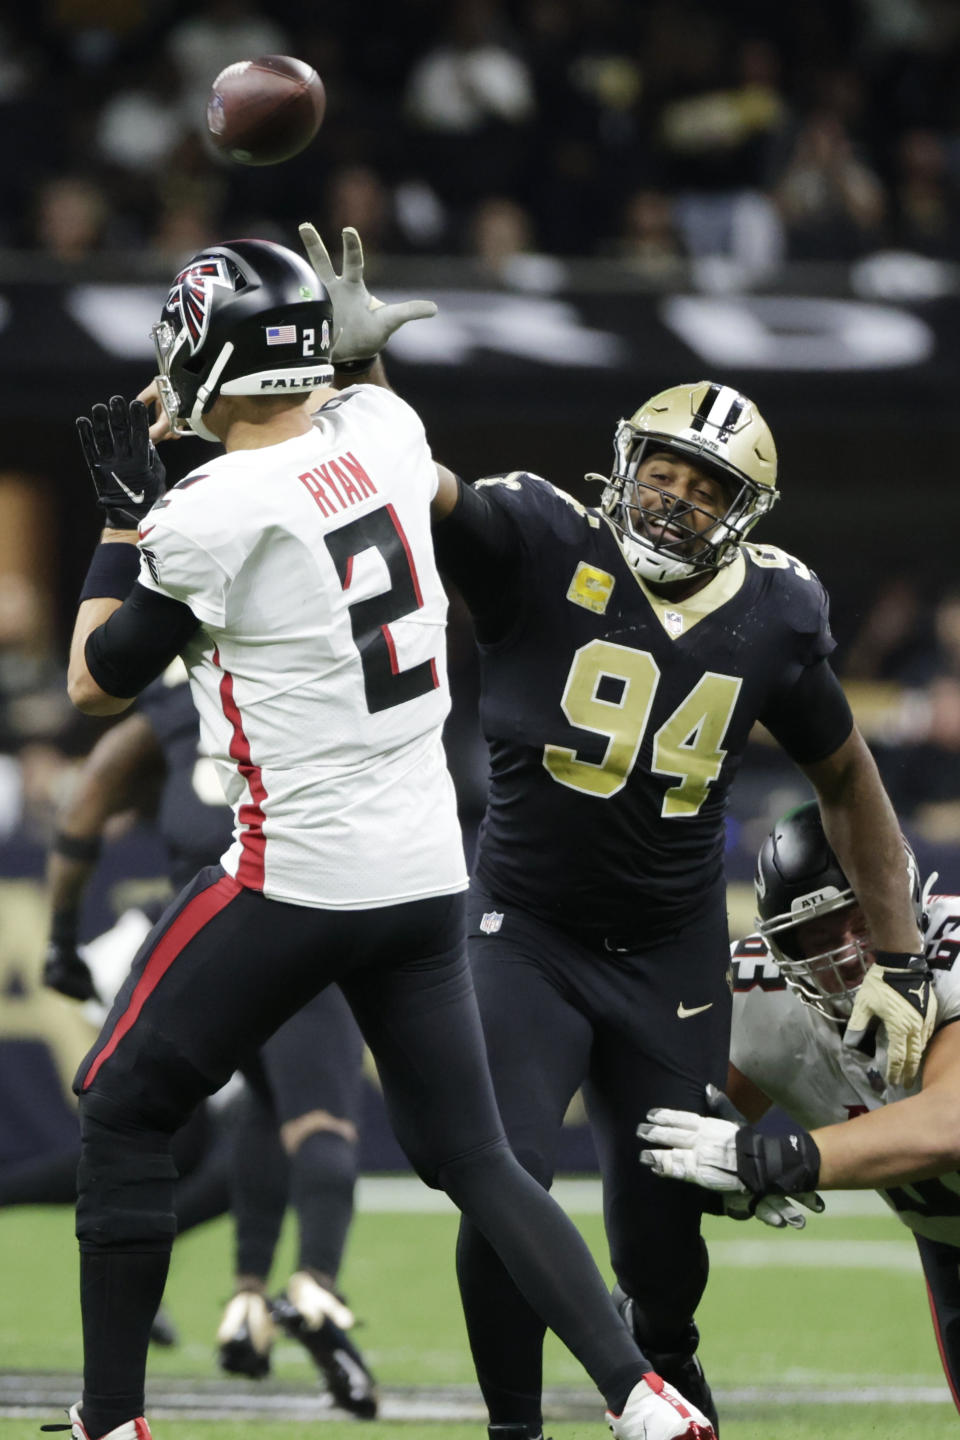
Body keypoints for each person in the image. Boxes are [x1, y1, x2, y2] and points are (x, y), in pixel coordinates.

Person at [56, 232, 716, 1440]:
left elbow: (97, 680)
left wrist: (117, 517)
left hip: (294, 868)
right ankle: (644, 1398)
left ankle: (111, 1422)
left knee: (122, 1105)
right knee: (476, 1155)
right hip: (424, 874)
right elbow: (355, 421)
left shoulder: (208, 510)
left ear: (212, 357)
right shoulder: (389, 435)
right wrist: (336, 367)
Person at [296, 222, 936, 1440]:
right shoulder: (540, 537)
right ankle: (516, 1428)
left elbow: (847, 773)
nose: (675, 497)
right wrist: (360, 381)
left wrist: (900, 959)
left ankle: (667, 1358)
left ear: (744, 513)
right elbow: (410, 483)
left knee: (663, 1217)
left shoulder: (779, 612)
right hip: (522, 926)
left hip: (667, 945)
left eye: (707, 488)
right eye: (663, 470)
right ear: (624, 461)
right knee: (508, 1185)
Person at [42, 663, 376, 1415]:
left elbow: (92, 790)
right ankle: (316, 1285)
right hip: (283, 905)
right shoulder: (299, 659)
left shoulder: (175, 691)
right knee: (321, 1112)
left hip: (184, 938)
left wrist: (63, 936)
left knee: (204, 1120)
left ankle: (244, 1301)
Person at [638, 799, 960, 1417]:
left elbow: (949, 1122)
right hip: (948, 1242)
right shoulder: (765, 994)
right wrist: (659, 1324)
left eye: (860, 918)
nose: (844, 956)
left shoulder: (952, 952)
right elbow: (677, 1131)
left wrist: (777, 1160)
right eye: (813, 938)